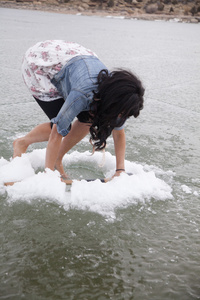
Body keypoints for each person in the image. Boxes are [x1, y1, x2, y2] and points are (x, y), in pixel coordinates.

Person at [13, 40, 144, 179]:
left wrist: (120, 170)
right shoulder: (83, 94)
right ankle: (22, 143)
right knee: (61, 126)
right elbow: (58, 130)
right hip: (40, 63)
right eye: (121, 113)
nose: (120, 116)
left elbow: (119, 133)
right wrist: (48, 177)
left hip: (74, 60)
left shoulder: (119, 98)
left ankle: (58, 159)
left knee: (89, 118)